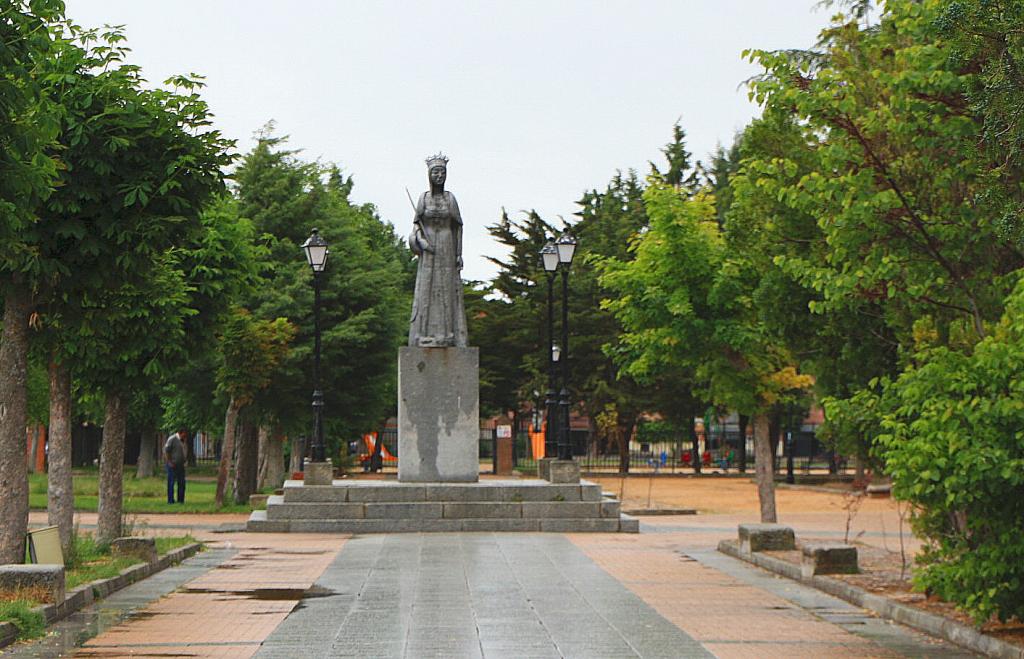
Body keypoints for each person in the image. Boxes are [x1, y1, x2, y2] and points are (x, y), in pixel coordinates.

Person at [408, 153, 468, 348]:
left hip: (446, 243)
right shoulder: (423, 198)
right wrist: (421, 242)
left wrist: (458, 253)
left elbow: (458, 226)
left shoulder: (450, 199)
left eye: (442, 172)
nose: (439, 175)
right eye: (435, 172)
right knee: (427, 287)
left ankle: (448, 333)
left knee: (446, 287)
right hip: (429, 247)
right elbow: (416, 225)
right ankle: (424, 333)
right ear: (429, 174)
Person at [164, 427, 188, 504]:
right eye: (184, 434)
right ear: (181, 432)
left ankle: (180, 500)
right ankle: (170, 500)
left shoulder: (183, 440)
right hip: (172, 464)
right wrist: (169, 462)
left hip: (181, 465)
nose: (185, 435)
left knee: (182, 483)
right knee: (171, 483)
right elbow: (166, 450)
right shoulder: (172, 439)